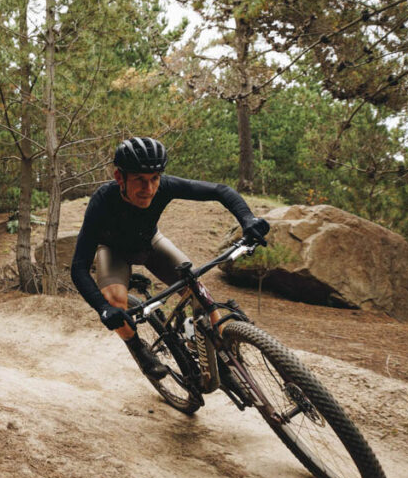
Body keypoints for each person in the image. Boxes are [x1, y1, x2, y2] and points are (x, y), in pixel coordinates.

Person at [70, 137, 270, 379]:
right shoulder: (102, 200)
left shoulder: (165, 186)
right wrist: (102, 309)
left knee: (197, 289)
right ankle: (139, 349)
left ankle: (222, 347)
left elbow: (221, 191)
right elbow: (79, 267)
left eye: (155, 179)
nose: (150, 189)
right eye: (140, 181)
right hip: (114, 252)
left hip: (150, 243)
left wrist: (248, 220)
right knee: (115, 302)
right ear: (119, 177)